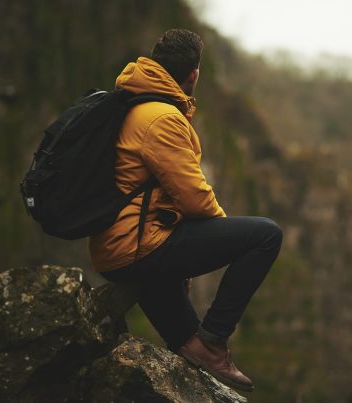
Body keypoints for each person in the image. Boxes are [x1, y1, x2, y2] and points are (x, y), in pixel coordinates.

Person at [89, 29, 283, 392]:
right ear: (193, 74)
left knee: (189, 351)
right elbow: (194, 197)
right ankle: (216, 340)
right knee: (265, 234)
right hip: (137, 248)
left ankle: (204, 350)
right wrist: (215, 241)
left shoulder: (132, 103)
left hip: (122, 248)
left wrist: (184, 247)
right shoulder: (161, 117)